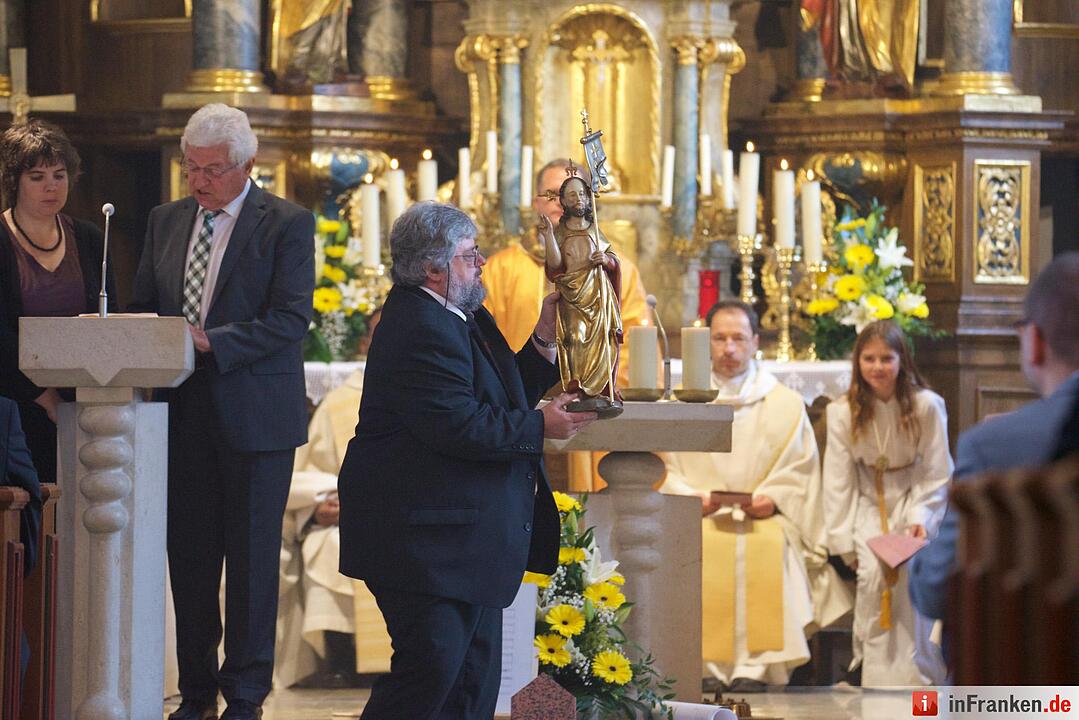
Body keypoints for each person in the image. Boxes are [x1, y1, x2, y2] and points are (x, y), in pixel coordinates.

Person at [337, 202, 595, 719]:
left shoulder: (457, 311)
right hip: (424, 541)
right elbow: (457, 425)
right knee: (430, 674)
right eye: (469, 254)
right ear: (433, 268)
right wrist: (541, 426)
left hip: (458, 538)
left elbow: (500, 397)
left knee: (471, 685)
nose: (481, 262)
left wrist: (545, 336)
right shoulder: (418, 325)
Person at [129, 103, 315, 720]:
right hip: (180, 414)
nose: (199, 180)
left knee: (253, 566)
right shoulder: (164, 220)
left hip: (256, 418)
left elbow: (291, 319)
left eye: (212, 170)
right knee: (190, 562)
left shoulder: (286, 223)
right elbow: (143, 307)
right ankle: (196, 693)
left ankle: (246, 696)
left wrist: (212, 341)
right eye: (191, 168)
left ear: (247, 165)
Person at [661, 301, 851, 692]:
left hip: (764, 519)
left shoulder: (784, 403)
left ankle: (759, 669)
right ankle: (703, 667)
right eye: (720, 338)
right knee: (700, 549)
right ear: (706, 341)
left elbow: (800, 469)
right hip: (699, 516)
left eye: (738, 338)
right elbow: (664, 468)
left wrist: (774, 499)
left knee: (768, 547)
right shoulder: (680, 403)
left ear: (755, 342)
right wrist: (691, 497)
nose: (729, 348)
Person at [910, 252, 1079, 625]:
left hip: (1039, 656)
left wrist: (915, 559)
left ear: (1035, 341)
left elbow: (936, 589)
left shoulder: (992, 447)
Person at [822, 320, 952, 687]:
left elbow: (937, 471)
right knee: (872, 576)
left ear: (902, 361)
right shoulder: (842, 411)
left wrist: (921, 517)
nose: (877, 367)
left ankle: (917, 672)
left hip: (913, 499)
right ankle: (873, 673)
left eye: (886, 358)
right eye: (869, 358)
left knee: (911, 575)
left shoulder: (927, 406)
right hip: (868, 501)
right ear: (857, 362)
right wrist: (843, 541)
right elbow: (837, 479)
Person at [276, 310, 388, 689]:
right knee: (328, 547)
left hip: (412, 521)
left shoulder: (438, 394)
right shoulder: (340, 402)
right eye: (379, 333)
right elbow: (304, 476)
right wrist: (317, 508)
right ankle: (342, 660)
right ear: (364, 344)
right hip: (346, 520)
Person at [0, 119, 116, 485]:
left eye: (59, 175)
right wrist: (46, 398)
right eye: (37, 177)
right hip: (13, 403)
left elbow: (111, 323)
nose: (51, 186)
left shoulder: (90, 238)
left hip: (83, 402)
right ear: (14, 181)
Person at [482, 158, 649, 382]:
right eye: (553, 193)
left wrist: (603, 388)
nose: (562, 202)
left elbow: (634, 343)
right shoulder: (498, 270)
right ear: (536, 203)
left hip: (595, 391)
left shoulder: (620, 269)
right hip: (520, 393)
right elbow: (485, 340)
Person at [539, 167, 622, 409]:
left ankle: (597, 388)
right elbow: (556, 266)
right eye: (572, 195)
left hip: (596, 295)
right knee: (574, 337)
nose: (578, 199)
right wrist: (549, 236)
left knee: (601, 341)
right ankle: (576, 386)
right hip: (571, 295)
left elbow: (613, 259)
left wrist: (606, 260)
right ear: (563, 201)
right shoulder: (561, 231)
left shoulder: (595, 230)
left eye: (582, 194)